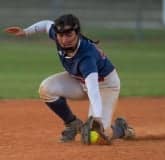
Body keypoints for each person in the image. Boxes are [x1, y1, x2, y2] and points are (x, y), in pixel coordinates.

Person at [4, 14, 135, 144]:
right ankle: (72, 124)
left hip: (104, 86)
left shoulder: (86, 55)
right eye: (61, 35)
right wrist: (25, 32)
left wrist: (97, 118)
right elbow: (45, 25)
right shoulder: (58, 36)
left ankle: (120, 129)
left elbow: (93, 89)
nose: (64, 40)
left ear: (77, 33)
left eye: (69, 35)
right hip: (79, 80)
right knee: (46, 89)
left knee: (97, 135)